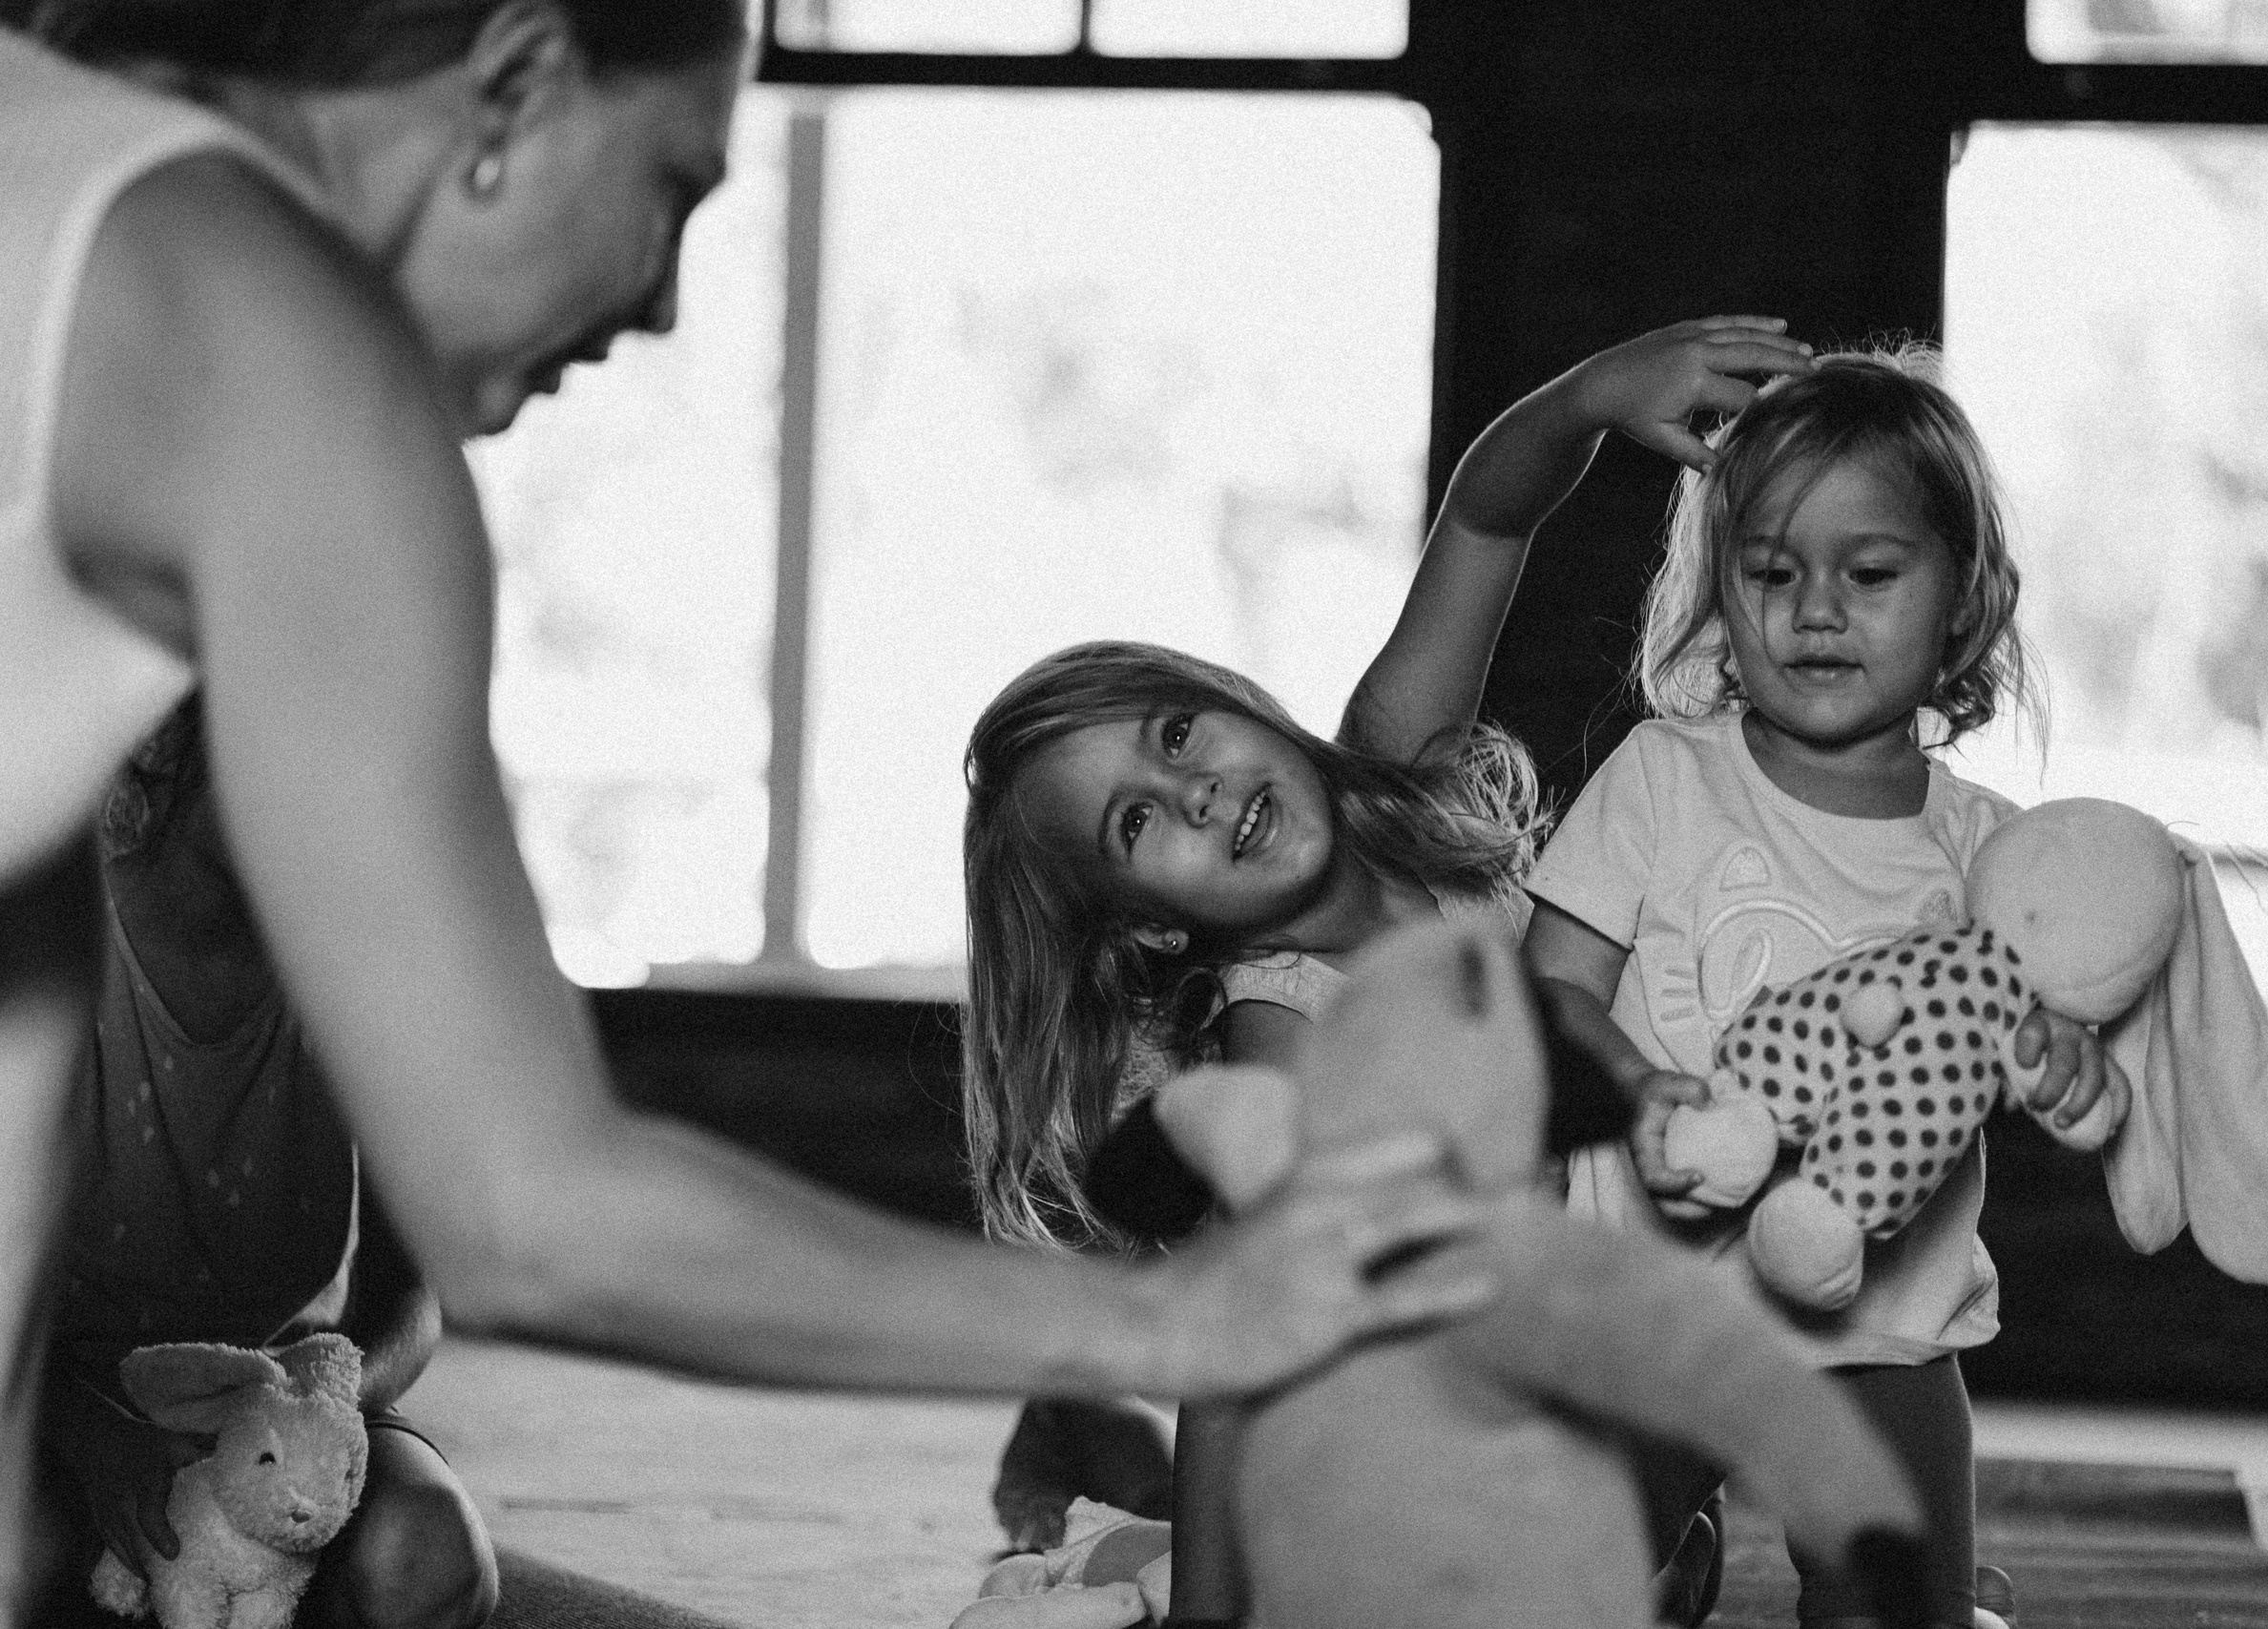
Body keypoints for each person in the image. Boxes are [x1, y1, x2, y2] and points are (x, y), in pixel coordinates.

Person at [0, 1, 1498, 1616]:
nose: (657, 303)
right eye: (676, 187)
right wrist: (1176, 1322)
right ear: (519, 77)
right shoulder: (290, 364)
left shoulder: (53, 150)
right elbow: (534, 1213)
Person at [961, 317, 1819, 1624]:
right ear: (1143, 926)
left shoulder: (1400, 768)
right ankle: (1114, 1501)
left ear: (1232, 696)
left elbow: (1484, 518)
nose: (1192, 791)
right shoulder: (1285, 1026)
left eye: (1178, 731)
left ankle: (1095, 1454)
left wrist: (1591, 392)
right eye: (1137, 823)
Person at [1523, 347, 2120, 1629]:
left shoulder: (1991, 854)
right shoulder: (1662, 776)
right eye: (1773, 571)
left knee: (1901, 1603)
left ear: (1962, 601)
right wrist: (1636, 1092)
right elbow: (1551, 991)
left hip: (1882, 1325)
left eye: (1871, 573)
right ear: (1720, 587)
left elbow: (2028, 1058)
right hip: (1650, 1306)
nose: (1815, 610)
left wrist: (2068, 1073)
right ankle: (1663, 1550)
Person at [31, 700, 495, 1629]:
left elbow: (416, 1288)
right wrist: (92, 1443)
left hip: (291, 1405)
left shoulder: (368, 960)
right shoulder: (45, 933)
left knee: (429, 1559)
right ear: (169, 743)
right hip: (51, 1406)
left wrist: (313, 1416)